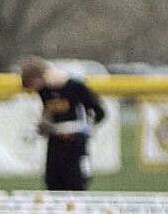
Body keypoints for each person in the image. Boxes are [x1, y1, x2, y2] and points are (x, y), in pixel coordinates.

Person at [19, 57, 106, 192]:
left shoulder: (76, 88)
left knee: (75, 183)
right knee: (53, 183)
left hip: (75, 144)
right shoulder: (44, 91)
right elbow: (49, 115)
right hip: (55, 143)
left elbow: (99, 112)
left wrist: (83, 130)